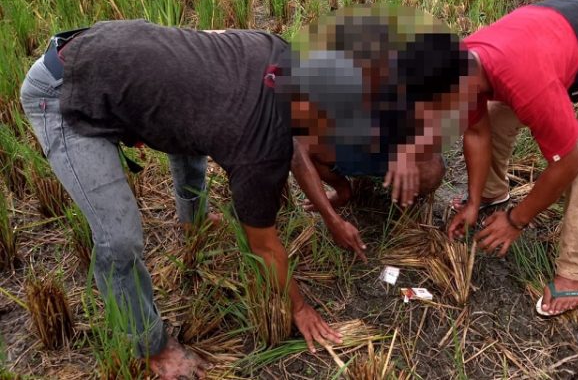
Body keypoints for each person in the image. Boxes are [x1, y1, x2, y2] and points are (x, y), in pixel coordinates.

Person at [19, 20, 346, 380]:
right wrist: (298, 307)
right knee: (120, 239)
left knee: (197, 121)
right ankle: (150, 346)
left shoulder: (276, 51)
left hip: (104, 51)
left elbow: (209, 41)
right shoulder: (260, 150)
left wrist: (332, 212)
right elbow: (265, 248)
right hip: (62, 91)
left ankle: (195, 218)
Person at [447, 0, 578, 316]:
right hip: (569, 49)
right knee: (492, 118)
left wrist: (515, 219)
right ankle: (493, 195)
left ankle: (574, 272)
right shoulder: (462, 67)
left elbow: (567, 165)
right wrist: (474, 202)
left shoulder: (526, 84)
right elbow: (477, 132)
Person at [286, 7, 470, 260]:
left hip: (392, 147)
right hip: (347, 146)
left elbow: (437, 122)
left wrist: (407, 151)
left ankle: (404, 197)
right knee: (307, 143)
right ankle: (344, 190)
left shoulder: (412, 73)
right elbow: (296, 147)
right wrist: (332, 219)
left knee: (431, 168)